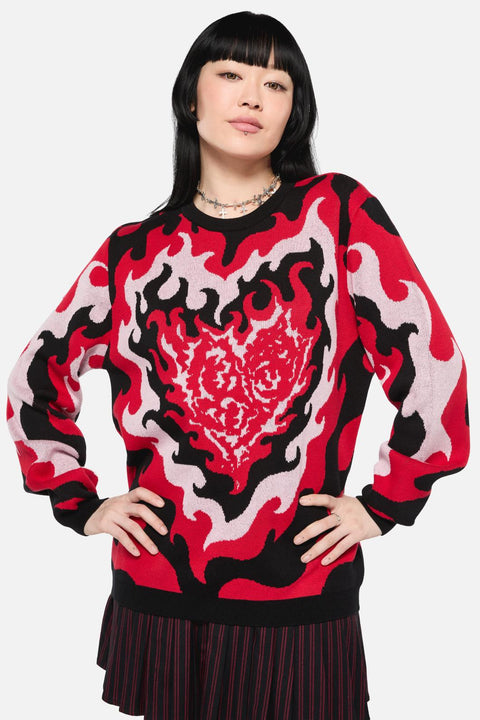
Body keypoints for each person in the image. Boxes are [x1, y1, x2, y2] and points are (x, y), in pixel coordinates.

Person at [5, 10, 470, 720]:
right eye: (231, 74)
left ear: (294, 111)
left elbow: (431, 365)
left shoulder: (338, 215)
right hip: (158, 593)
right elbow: (37, 379)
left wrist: (386, 504)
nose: (253, 96)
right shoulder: (132, 251)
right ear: (191, 97)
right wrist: (80, 501)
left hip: (302, 589)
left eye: (276, 84)